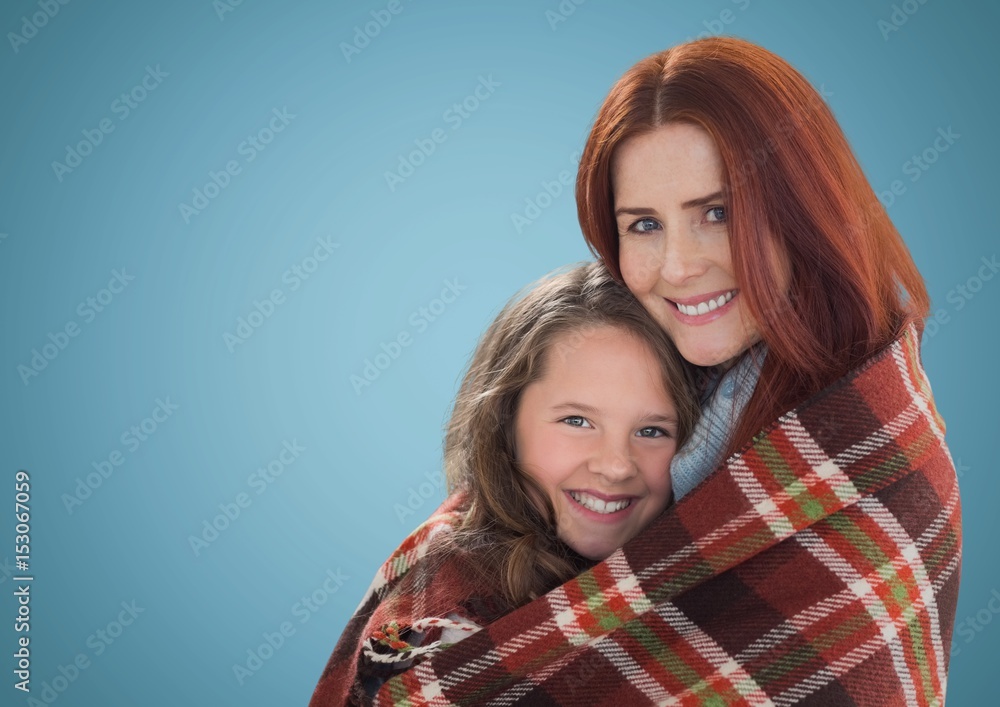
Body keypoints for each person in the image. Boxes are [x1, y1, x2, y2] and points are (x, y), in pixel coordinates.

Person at [364, 37, 963, 706]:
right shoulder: (664, 367)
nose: (678, 266)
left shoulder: (872, 466)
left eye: (718, 213)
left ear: (802, 211)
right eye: (644, 224)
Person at [309, 260, 700, 705]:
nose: (616, 466)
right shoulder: (450, 623)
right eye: (577, 420)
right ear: (505, 423)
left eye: (653, 431)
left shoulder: (681, 579)